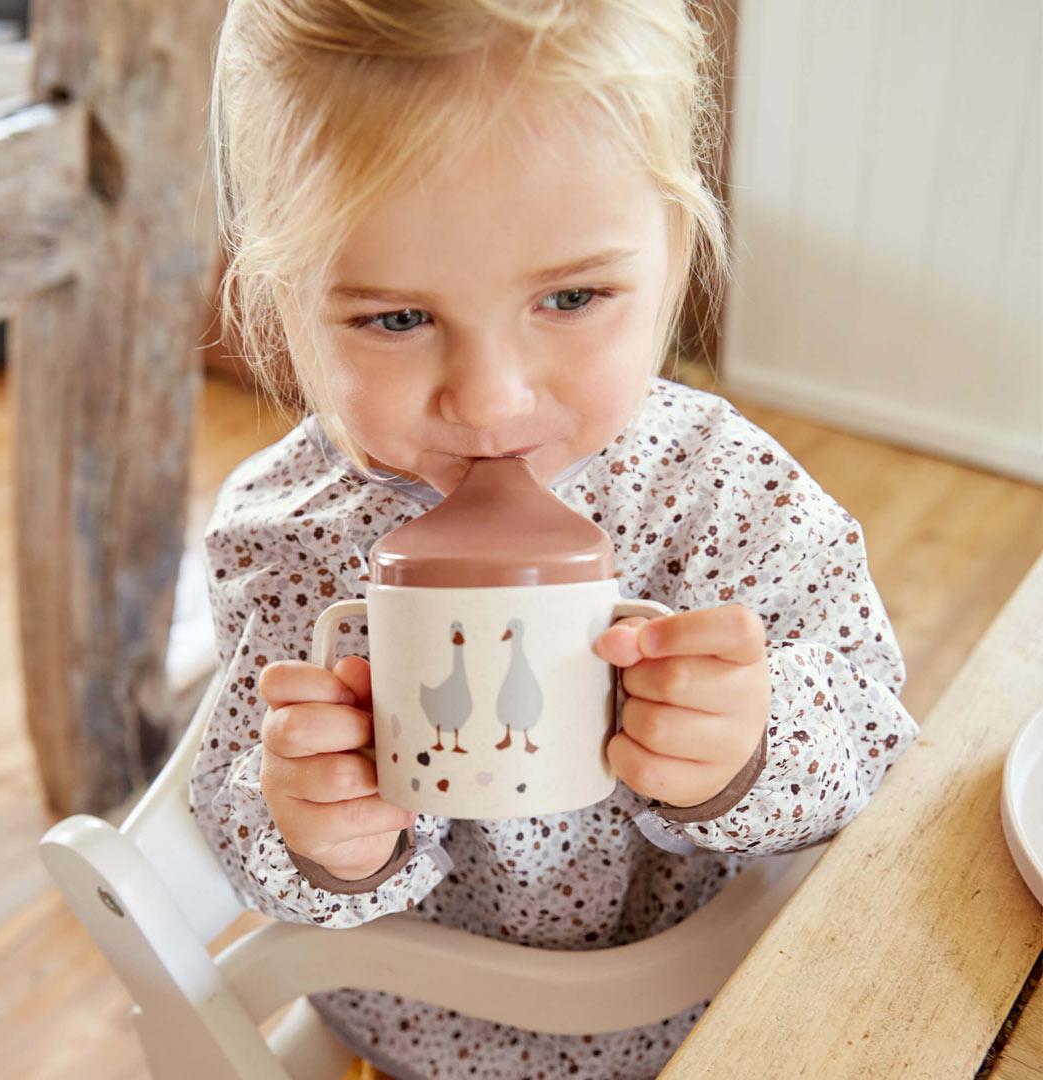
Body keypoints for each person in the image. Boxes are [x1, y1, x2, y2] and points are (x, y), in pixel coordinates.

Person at [189, 2, 920, 1077]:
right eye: (396, 319)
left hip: (718, 1015)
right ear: (277, 298)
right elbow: (246, 815)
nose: (489, 401)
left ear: (674, 251)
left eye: (571, 297)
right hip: (429, 1036)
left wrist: (749, 748)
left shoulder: (721, 488)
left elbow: (874, 726)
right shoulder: (287, 537)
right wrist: (324, 834)